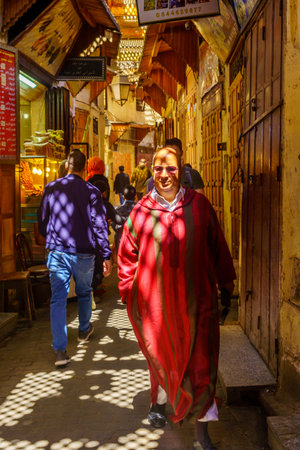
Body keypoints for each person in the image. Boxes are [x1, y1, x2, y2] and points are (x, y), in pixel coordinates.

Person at [117, 146, 236, 449]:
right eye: (158, 169)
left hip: (200, 305)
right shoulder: (141, 212)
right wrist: (129, 292)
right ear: (152, 172)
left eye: (171, 169)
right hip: (158, 312)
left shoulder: (200, 206)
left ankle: (202, 434)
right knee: (164, 363)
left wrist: (226, 287)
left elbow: (218, 247)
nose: (164, 175)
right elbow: (127, 257)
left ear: (180, 170)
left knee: (201, 366)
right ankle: (164, 407)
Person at [38, 149, 112, 367]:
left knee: (58, 299)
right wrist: (106, 254)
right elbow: (99, 225)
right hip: (83, 252)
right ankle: (83, 331)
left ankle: (60, 351)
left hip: (57, 252)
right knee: (84, 291)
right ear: (84, 167)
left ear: (67, 166)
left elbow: (42, 221)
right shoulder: (91, 191)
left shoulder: (51, 188)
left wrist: (53, 237)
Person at [87, 178, 116, 304]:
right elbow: (116, 218)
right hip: (98, 240)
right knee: (98, 266)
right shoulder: (105, 204)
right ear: (104, 192)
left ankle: (90, 292)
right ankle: (93, 291)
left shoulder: (85, 201)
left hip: (85, 240)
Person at [112, 185, 136, 252]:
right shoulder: (140, 209)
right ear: (135, 196)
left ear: (123, 196)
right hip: (135, 241)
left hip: (121, 241)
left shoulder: (118, 210)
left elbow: (114, 226)